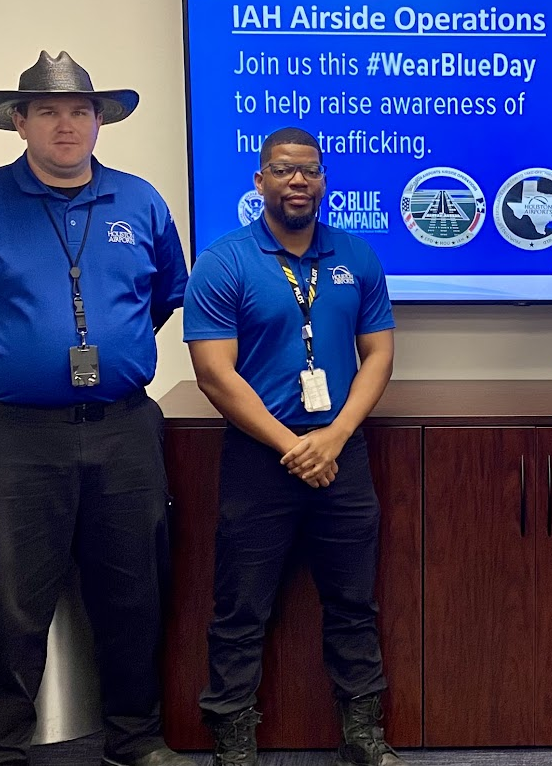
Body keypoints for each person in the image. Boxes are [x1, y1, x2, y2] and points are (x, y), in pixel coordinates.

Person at [0, 51, 189, 766]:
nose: (67, 125)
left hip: (124, 427)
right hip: (15, 436)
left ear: (99, 122)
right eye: (50, 112)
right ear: (20, 121)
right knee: (14, 597)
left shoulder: (140, 201)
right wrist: (16, 359)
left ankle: (135, 737)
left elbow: (159, 302)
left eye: (80, 111)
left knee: (134, 592)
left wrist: (102, 358)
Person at [185, 128, 404, 766]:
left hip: (343, 455)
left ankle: (364, 737)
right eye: (284, 170)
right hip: (261, 457)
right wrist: (292, 445)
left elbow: (380, 355)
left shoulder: (356, 257)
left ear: (323, 180)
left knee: (354, 602)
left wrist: (334, 436)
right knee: (241, 606)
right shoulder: (225, 261)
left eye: (309, 171)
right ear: (260, 181)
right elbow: (213, 373)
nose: (298, 182)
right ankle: (232, 743)